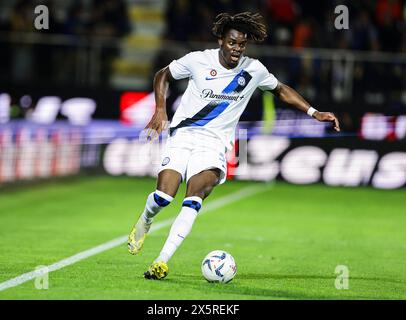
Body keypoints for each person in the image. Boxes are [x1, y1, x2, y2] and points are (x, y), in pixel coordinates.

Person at [127, 12, 340, 280]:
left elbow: (281, 89)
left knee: (194, 199)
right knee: (164, 197)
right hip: (182, 136)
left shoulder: (254, 70)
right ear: (221, 40)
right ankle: (146, 219)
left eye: (241, 45)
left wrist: (314, 112)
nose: (237, 49)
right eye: (232, 43)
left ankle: (162, 261)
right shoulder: (197, 60)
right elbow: (162, 75)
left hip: (214, 145)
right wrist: (159, 110)